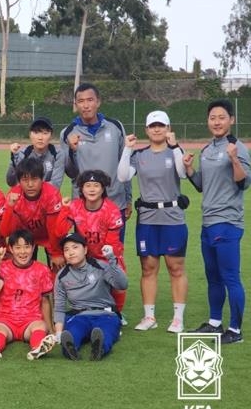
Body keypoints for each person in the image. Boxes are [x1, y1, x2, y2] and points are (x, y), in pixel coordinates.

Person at [184, 99, 251, 344]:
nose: (217, 122)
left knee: (230, 276)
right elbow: (202, 186)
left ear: (231, 120)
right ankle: (214, 323)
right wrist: (190, 170)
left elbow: (243, 182)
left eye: (222, 117)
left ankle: (235, 330)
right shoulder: (208, 149)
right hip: (208, 222)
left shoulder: (237, 147)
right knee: (213, 276)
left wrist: (233, 159)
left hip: (228, 221)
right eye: (213, 117)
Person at [117, 110, 188, 333]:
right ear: (146, 129)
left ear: (168, 128)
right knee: (148, 267)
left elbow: (182, 174)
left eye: (161, 125)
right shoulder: (139, 155)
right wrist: (127, 149)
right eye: (152, 126)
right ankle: (149, 317)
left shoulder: (176, 152)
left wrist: (176, 147)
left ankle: (178, 318)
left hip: (172, 217)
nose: (157, 129)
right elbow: (122, 176)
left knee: (175, 267)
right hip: (147, 218)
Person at [60, 83, 131, 239]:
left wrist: (128, 199)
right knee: (84, 257)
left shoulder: (116, 127)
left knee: (114, 254)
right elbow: (70, 172)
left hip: (115, 202)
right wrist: (72, 150)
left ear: (98, 102)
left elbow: (124, 164)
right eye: (81, 101)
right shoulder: (68, 133)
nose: (86, 105)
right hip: (83, 207)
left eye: (90, 100)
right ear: (76, 104)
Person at [59, 170, 127, 319]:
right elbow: (60, 231)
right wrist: (64, 209)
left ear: (103, 189)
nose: (91, 189)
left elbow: (112, 244)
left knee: (117, 278)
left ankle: (117, 313)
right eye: (87, 185)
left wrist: (104, 263)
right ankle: (80, 309)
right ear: (81, 189)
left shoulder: (112, 210)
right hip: (85, 254)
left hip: (107, 254)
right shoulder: (75, 206)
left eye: (96, 185)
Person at [54, 233, 128, 361]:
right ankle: (69, 349)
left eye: (75, 247)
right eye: (66, 250)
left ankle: (99, 348)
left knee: (105, 331)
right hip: (79, 316)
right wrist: (59, 332)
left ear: (85, 249)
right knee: (73, 332)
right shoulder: (62, 276)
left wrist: (111, 259)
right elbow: (59, 307)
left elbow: (122, 285)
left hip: (105, 314)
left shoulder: (100, 266)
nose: (71, 252)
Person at [0, 230, 56, 361]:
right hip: (5, 318)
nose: (23, 252)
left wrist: (50, 329)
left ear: (33, 248)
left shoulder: (42, 270)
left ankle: (37, 348)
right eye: (18, 248)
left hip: (31, 319)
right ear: (11, 249)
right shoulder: (3, 267)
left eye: (26, 247)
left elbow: (46, 301)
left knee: (40, 327)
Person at [0, 157, 66, 270]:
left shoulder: (51, 194)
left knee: (58, 266)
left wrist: (56, 253)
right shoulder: (14, 195)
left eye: (34, 179)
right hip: (25, 237)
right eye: (25, 180)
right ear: (19, 181)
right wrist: (9, 207)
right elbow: (5, 232)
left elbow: (53, 228)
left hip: (48, 236)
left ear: (42, 179)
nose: (30, 184)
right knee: (20, 268)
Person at [6, 116, 66, 189]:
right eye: (36, 132)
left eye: (45, 133)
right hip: (27, 198)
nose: (40, 137)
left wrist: (32, 187)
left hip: (49, 197)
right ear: (30, 135)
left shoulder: (58, 154)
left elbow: (56, 184)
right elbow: (11, 182)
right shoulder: (23, 153)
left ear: (51, 136)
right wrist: (13, 160)